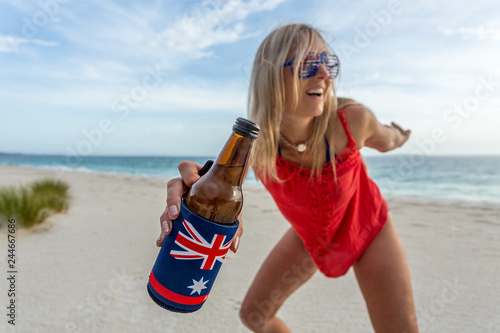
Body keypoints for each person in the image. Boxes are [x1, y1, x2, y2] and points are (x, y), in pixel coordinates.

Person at [157, 23, 419, 332]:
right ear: (271, 76)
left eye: (328, 62)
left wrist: (401, 134)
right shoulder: (257, 144)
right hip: (309, 236)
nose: (323, 72)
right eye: (308, 63)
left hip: (367, 223)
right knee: (255, 316)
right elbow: (216, 182)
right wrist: (190, 192)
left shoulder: (351, 120)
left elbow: (388, 140)